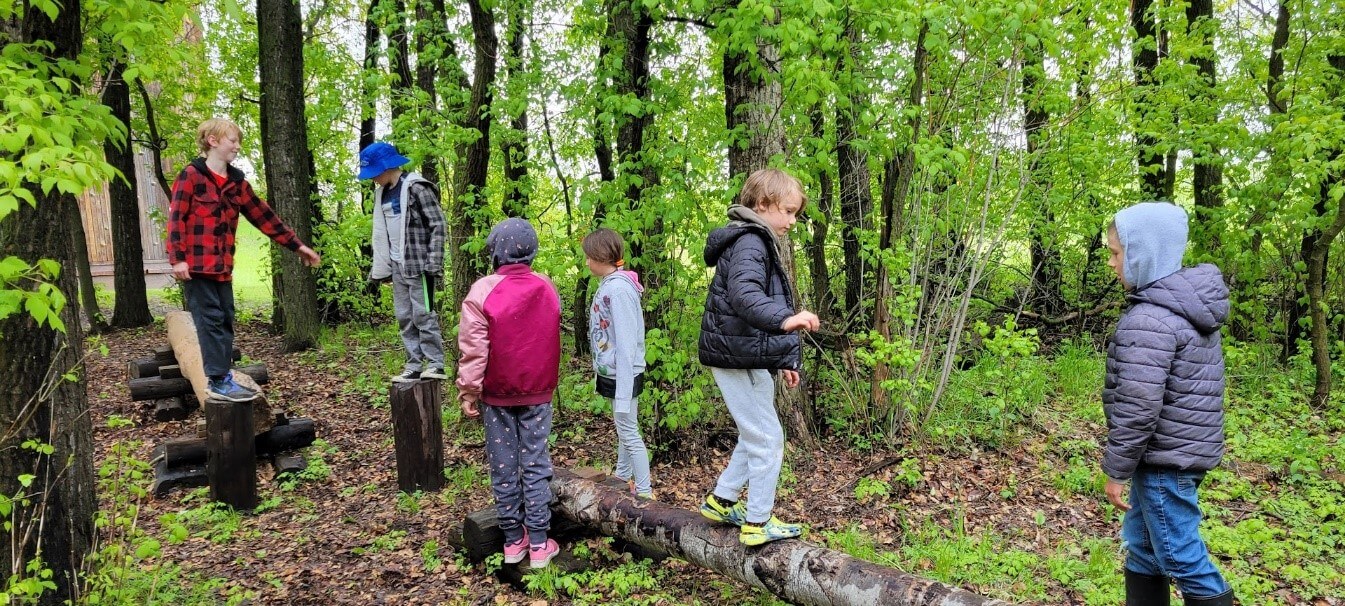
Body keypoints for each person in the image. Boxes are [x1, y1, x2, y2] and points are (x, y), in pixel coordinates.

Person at [1102, 202, 1234, 606]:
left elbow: (1139, 407)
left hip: (1164, 461)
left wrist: (1115, 470)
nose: (1110, 263)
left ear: (1144, 254)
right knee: (1143, 547)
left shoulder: (1150, 319)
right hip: (1172, 455)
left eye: (1115, 253)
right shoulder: (1185, 309)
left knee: (1179, 555)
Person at [696, 168, 819, 546]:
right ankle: (758, 523)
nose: (792, 221)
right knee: (769, 440)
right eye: (787, 211)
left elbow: (744, 317)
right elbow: (745, 297)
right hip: (736, 357)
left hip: (741, 353)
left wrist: (781, 360)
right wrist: (787, 319)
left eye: (796, 212)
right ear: (763, 205)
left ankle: (722, 500)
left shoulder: (751, 238)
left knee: (755, 434)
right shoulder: (751, 241)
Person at [168, 118, 321, 403]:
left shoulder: (237, 183)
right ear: (213, 141)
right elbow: (176, 219)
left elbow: (265, 218)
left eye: (238, 141)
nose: (237, 147)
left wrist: (298, 246)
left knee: (225, 319)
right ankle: (216, 381)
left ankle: (223, 377)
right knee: (210, 321)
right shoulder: (190, 176)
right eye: (232, 141)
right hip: (197, 268)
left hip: (222, 268)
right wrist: (177, 259)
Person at [456, 218, 562, 568]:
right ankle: (539, 543)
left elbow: (474, 347)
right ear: (532, 251)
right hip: (538, 393)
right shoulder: (546, 286)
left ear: (496, 252)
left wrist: (469, 390)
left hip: (497, 395)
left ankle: (513, 542)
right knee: (535, 463)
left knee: (503, 466)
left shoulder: (482, 289)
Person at [358, 141, 447, 382]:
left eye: (374, 173)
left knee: (423, 315)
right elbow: (382, 232)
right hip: (398, 265)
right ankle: (414, 364)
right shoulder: (382, 193)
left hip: (420, 265)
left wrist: (433, 262)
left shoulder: (417, 188)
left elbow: (438, 225)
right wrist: (384, 266)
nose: (372, 179)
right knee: (404, 316)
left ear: (387, 167)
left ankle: (436, 364)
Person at [582, 228, 652, 499]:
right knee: (624, 428)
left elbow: (625, 343)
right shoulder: (612, 285)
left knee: (629, 432)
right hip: (613, 373)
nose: (587, 262)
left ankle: (645, 493)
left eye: (589, 257)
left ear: (601, 256)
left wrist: (623, 391)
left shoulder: (620, 290)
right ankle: (622, 478)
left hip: (624, 374)